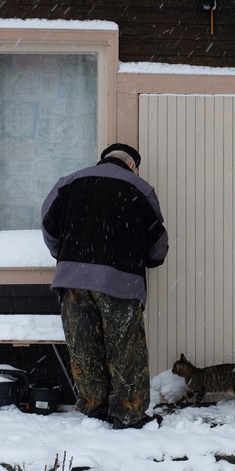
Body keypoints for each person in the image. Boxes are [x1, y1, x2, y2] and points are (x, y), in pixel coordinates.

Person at [41, 142, 168, 429]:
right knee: (125, 349)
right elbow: (158, 243)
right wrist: (147, 259)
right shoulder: (140, 188)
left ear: (103, 160)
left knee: (84, 349)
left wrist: (64, 254)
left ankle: (94, 409)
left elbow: (48, 226)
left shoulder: (69, 182)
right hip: (120, 282)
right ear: (132, 164)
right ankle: (128, 413)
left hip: (73, 279)